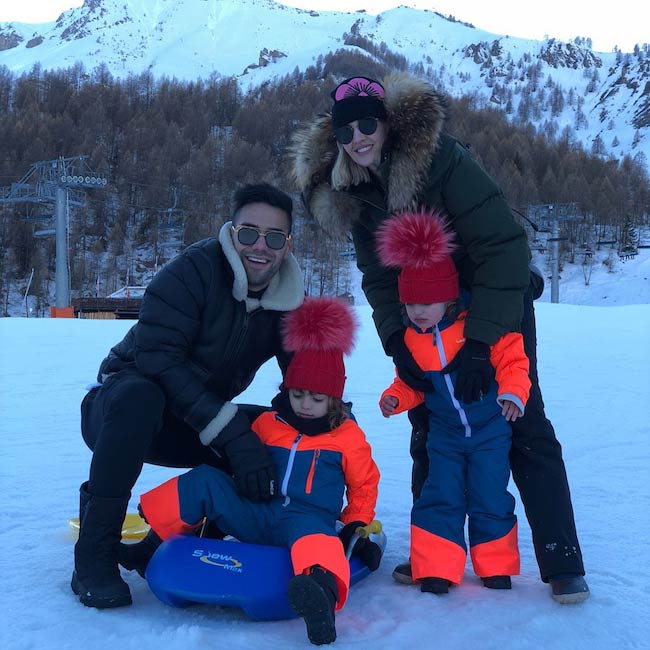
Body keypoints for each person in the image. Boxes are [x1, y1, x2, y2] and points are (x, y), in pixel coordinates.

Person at [290, 73, 589, 603]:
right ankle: (435, 553)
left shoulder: (440, 159)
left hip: (493, 296)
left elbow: (503, 245)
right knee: (430, 418)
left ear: (386, 123)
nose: (358, 138)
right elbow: (379, 275)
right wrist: (396, 343)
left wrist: (480, 342)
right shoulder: (351, 187)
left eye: (367, 124)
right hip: (421, 310)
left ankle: (561, 559)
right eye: (345, 132)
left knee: (522, 418)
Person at [72, 182, 305, 609]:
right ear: (231, 233)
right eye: (249, 232)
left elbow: (305, 381)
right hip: (120, 414)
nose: (260, 246)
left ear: (287, 246)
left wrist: (328, 437)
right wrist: (232, 434)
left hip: (195, 420)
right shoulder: (192, 272)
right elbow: (157, 361)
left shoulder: (288, 302)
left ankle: (181, 538)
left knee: (272, 430)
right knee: (141, 397)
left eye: (274, 237)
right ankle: (94, 554)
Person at [119, 297, 381, 646]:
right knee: (207, 479)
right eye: (298, 394)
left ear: (334, 401)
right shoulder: (267, 424)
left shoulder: (347, 437)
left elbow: (364, 484)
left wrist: (355, 526)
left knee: (319, 541)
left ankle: (319, 593)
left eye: (316, 399)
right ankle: (150, 546)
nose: (305, 405)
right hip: (256, 511)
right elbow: (236, 461)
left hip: (305, 519)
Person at [377, 209, 530, 594]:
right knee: (439, 495)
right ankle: (437, 568)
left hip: (489, 431)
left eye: (427, 302)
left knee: (489, 494)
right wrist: (397, 397)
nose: (418, 311)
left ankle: (495, 565)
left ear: (448, 297)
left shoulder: (476, 324)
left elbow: (513, 357)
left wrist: (513, 392)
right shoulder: (413, 339)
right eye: (411, 304)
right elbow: (412, 382)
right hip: (444, 434)